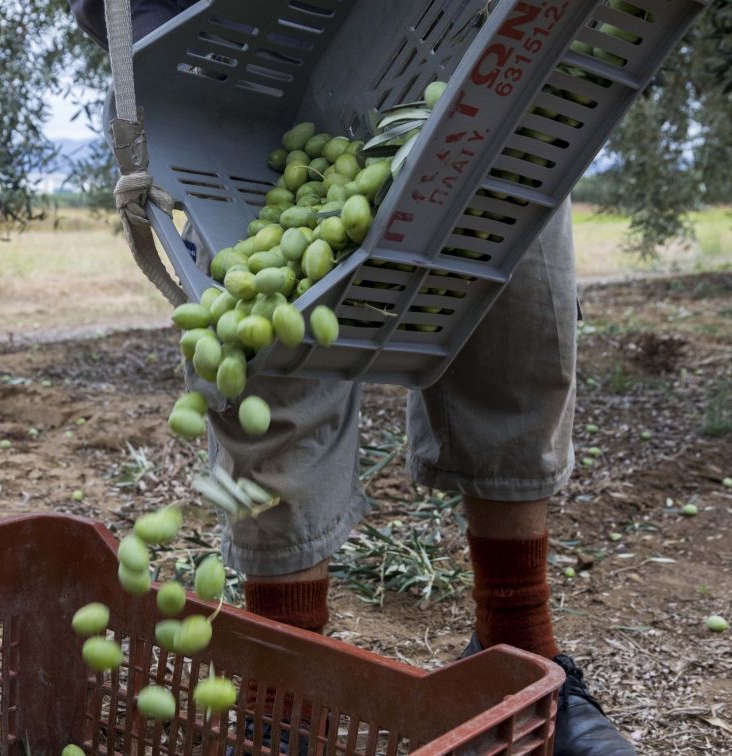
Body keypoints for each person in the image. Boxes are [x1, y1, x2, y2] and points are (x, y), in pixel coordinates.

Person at [72, 2, 636, 753]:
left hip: (456, 43)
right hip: (251, 56)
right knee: (270, 379)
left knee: (520, 328)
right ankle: (284, 703)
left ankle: (520, 652)